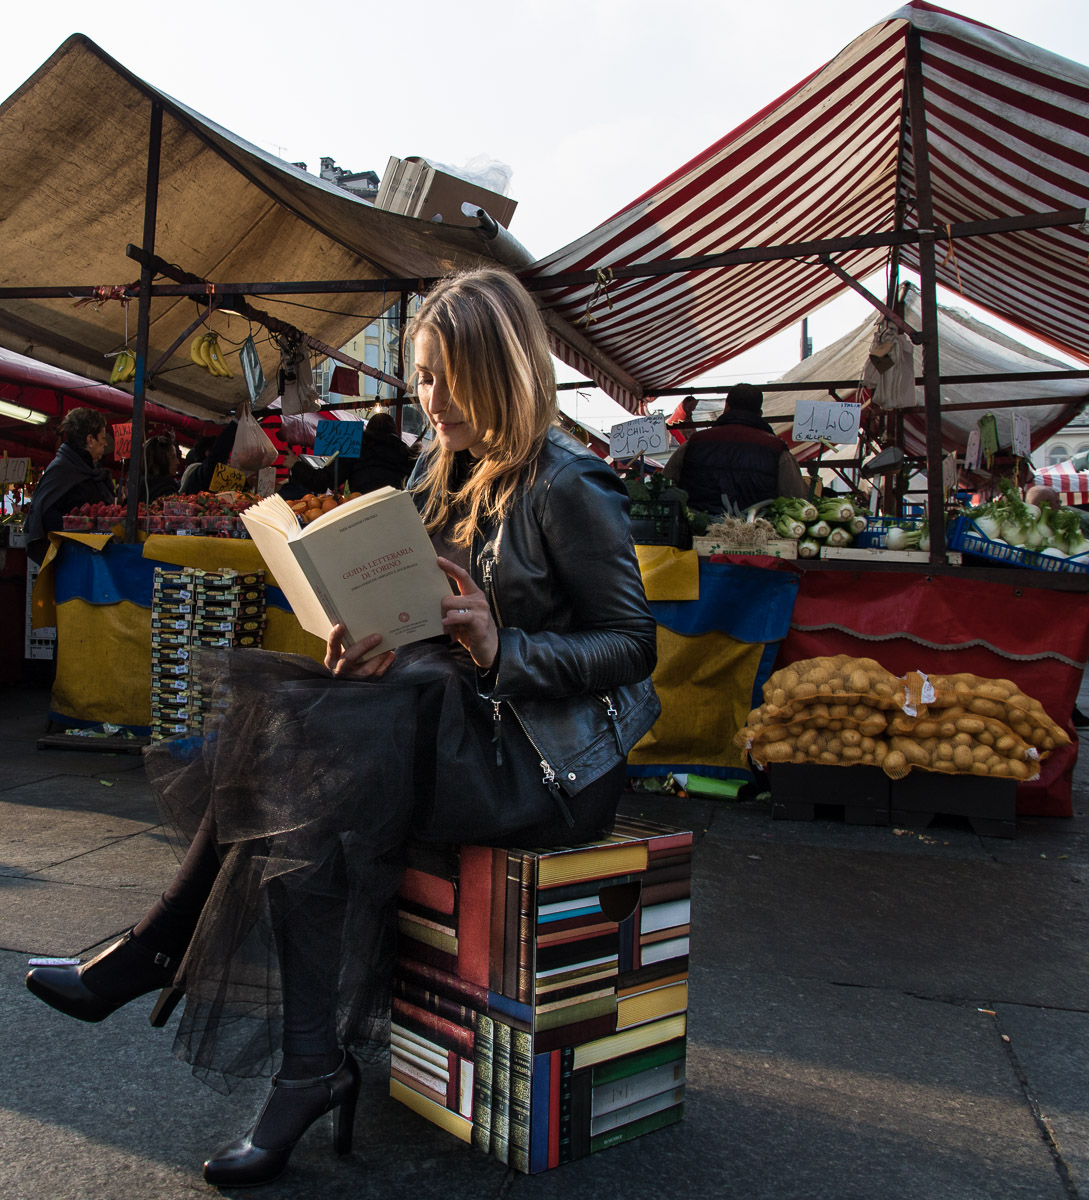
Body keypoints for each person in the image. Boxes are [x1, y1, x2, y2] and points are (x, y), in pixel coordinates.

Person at [23, 269, 660, 1187]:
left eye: (441, 377)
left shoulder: (570, 483)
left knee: (300, 757)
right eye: (423, 376)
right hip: (450, 724)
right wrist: (360, 641)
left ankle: (173, 954)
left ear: (495, 369)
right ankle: (300, 1056)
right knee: (300, 777)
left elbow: (633, 648)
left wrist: (502, 644)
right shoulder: (445, 468)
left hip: (544, 765)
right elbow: (414, 615)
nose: (426, 399)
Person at [1024, 485, 1089, 729]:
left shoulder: (1052, 528)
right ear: (1047, 504)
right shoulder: (1032, 527)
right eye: (1056, 502)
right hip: (1042, 603)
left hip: (1046, 603)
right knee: (1054, 661)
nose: (1060, 506)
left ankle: (1067, 709)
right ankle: (1062, 710)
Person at [662, 382, 804, 514]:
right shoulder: (777, 448)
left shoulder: (694, 443)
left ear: (726, 407)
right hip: (757, 532)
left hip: (696, 530)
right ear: (760, 413)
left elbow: (665, 482)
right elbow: (796, 497)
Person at [22, 407, 115, 564]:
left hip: (93, 559)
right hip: (69, 561)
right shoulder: (61, 470)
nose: (105, 444)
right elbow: (44, 519)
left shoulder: (91, 472)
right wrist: (80, 525)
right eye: (102, 438)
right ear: (90, 440)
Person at [282, 411, 419, 499]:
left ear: (368, 429)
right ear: (394, 432)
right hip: (398, 512)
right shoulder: (407, 453)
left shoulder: (356, 447)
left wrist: (295, 464)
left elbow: (322, 482)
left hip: (363, 512)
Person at [141, 435, 182, 504]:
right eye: (172, 457)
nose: (177, 462)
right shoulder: (167, 490)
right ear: (159, 461)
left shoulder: (136, 486)